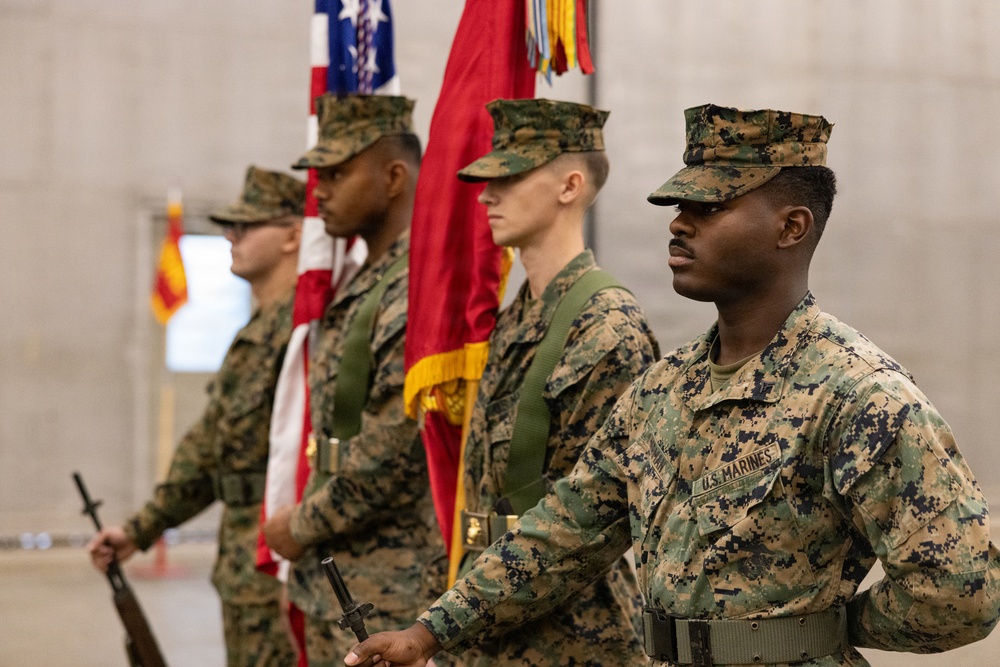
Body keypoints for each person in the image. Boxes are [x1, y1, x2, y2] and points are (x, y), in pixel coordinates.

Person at [344, 104, 1000, 667]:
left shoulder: (859, 395)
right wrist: (429, 631)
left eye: (709, 206)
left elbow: (962, 590)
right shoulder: (665, 389)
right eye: (680, 204)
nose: (679, 223)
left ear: (790, 226)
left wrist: (833, 625)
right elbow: (564, 533)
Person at [428, 97, 660, 666]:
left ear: (569, 186)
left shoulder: (606, 330)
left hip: (572, 639)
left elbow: (586, 523)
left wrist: (439, 627)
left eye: (509, 177)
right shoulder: (520, 315)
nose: (486, 195)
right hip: (490, 620)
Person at [87, 165, 305, 667]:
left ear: (293, 234)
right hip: (242, 563)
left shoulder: (306, 331)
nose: (232, 236)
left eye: (247, 226)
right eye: (230, 226)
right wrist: (142, 529)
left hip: (284, 567)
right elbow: (208, 449)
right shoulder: (253, 335)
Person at [260, 93, 443, 667]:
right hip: (339, 582)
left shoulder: (418, 288)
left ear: (393, 177)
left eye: (338, 173)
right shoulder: (363, 279)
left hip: (391, 594)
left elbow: (395, 448)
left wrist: (301, 523)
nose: (320, 191)